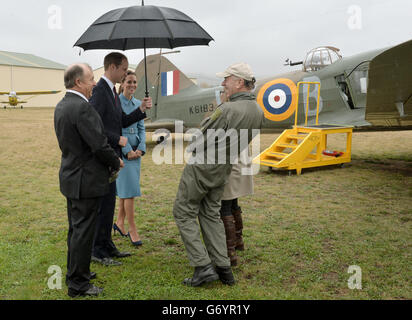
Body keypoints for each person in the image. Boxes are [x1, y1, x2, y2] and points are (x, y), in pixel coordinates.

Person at [172, 62, 264, 287]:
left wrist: (219, 108)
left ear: (240, 82)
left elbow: (199, 136)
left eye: (227, 79)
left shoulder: (227, 109)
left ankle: (203, 266)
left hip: (202, 168)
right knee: (210, 213)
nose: (223, 83)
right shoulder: (258, 111)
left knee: (183, 212)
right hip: (223, 170)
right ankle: (223, 268)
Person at [54, 63, 123, 297]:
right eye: (91, 78)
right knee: (83, 232)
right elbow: (99, 144)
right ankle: (78, 284)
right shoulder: (82, 108)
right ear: (78, 82)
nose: (95, 83)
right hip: (86, 180)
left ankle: (76, 272)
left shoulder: (62, 105)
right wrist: (116, 161)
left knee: (76, 230)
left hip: (72, 177)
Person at [90, 52, 152, 266]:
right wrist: (119, 140)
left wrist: (141, 110)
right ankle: (98, 251)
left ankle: (107, 245)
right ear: (114, 67)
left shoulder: (111, 93)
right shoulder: (100, 92)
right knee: (103, 206)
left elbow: (122, 119)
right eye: (125, 69)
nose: (126, 73)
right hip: (106, 156)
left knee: (109, 204)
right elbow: (95, 128)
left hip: (113, 157)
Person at [113, 71, 146, 247]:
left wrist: (141, 149)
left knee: (126, 190)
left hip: (136, 152)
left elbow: (141, 128)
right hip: (123, 151)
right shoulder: (117, 103)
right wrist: (127, 151)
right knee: (130, 192)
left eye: (134, 82)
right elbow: (117, 129)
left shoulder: (139, 104)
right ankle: (132, 228)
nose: (132, 85)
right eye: (129, 82)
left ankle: (119, 222)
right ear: (123, 83)